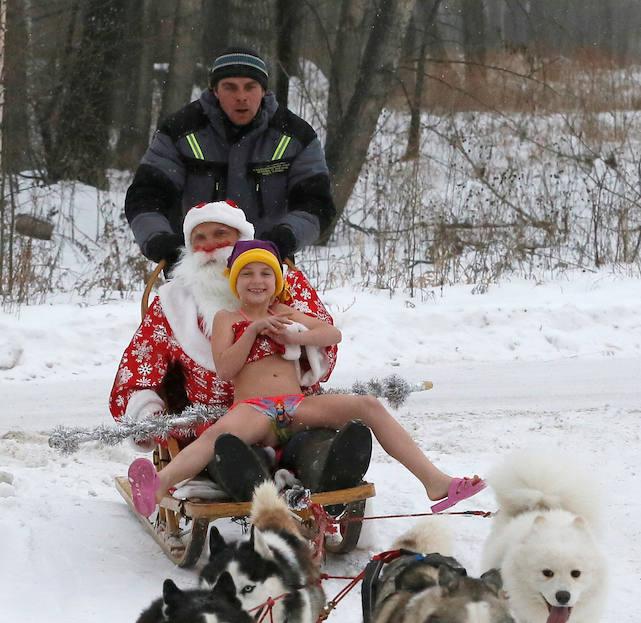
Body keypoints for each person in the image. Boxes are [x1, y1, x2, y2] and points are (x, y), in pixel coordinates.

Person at [127, 240, 486, 517]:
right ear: (235, 282)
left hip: (297, 406)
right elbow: (225, 368)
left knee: (369, 405)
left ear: (277, 281)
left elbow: (333, 335)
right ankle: (159, 487)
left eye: (265, 274)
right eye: (248, 274)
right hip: (253, 410)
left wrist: (296, 336)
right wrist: (252, 331)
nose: (257, 281)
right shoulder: (226, 318)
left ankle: (435, 482)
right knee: (215, 437)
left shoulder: (286, 312)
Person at [110, 200, 369, 496]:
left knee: (313, 445)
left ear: (242, 240)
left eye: (220, 234)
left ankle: (327, 465)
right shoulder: (172, 304)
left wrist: (294, 338)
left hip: (292, 412)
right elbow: (138, 368)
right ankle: (251, 477)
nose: (209, 246)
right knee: (228, 453)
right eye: (200, 238)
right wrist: (148, 415)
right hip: (215, 425)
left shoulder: (283, 285)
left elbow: (325, 342)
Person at [125, 47, 335, 272]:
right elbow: (145, 197)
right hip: (194, 265)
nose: (241, 96)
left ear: (263, 90)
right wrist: (161, 241)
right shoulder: (180, 132)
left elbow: (316, 204)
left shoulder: (296, 136)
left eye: (250, 87)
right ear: (215, 90)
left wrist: (283, 238)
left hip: (266, 264)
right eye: (230, 87)